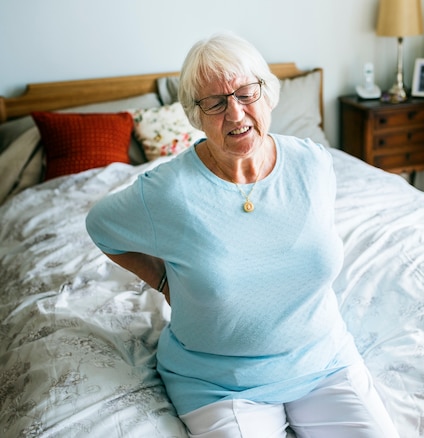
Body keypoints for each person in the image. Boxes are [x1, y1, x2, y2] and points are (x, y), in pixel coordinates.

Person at [86, 33, 399, 438]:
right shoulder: (167, 192)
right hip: (220, 381)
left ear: (267, 94)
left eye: (246, 93)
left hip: (324, 360)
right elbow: (100, 227)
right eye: (214, 102)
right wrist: (162, 278)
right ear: (195, 115)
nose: (235, 114)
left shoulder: (315, 163)